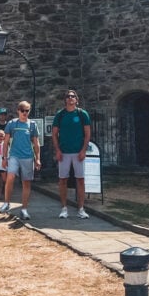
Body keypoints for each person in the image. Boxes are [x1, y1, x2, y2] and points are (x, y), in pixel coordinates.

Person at [52, 89, 91, 219]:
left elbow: (87, 134)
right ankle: (64, 208)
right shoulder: (60, 115)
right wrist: (57, 150)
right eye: (68, 96)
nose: (70, 98)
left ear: (76, 99)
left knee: (80, 180)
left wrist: (83, 150)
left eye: (73, 96)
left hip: (78, 152)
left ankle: (81, 208)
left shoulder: (82, 114)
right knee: (63, 180)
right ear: (65, 100)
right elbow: (54, 134)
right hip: (64, 152)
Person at [0, 100, 41, 220]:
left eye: (27, 110)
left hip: (27, 157)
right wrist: (4, 157)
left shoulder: (32, 125)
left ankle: (24, 209)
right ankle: (6, 202)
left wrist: (38, 159)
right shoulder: (12, 124)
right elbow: (6, 142)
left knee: (26, 182)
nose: (24, 113)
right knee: (10, 176)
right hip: (14, 155)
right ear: (18, 111)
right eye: (22, 110)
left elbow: (36, 143)